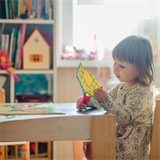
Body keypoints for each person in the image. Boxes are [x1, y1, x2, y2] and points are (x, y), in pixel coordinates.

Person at [76, 35, 155, 160]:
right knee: (93, 144)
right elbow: (104, 103)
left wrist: (105, 99)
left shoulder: (142, 91)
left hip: (131, 149)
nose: (116, 68)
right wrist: (88, 101)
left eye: (122, 66)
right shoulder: (120, 87)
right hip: (120, 141)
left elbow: (125, 117)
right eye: (115, 63)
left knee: (96, 147)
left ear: (140, 69)